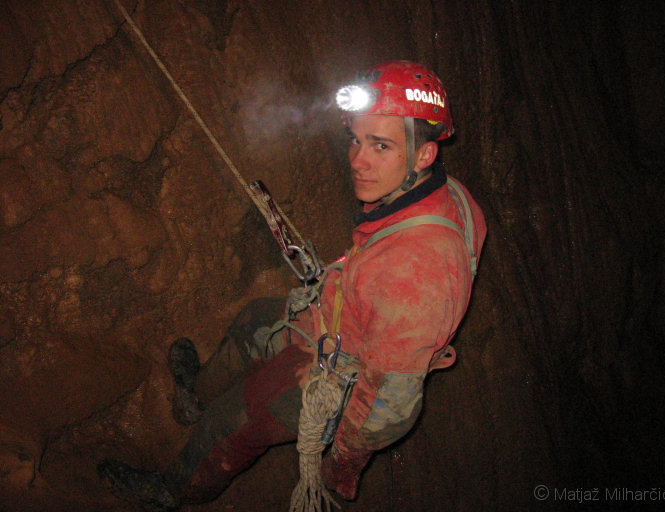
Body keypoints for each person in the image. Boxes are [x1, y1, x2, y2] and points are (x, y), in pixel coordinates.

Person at [99, 60, 486, 511]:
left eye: (380, 146)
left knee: (228, 425)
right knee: (253, 322)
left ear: (424, 155)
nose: (357, 161)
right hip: (337, 318)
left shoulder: (416, 275)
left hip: (338, 370)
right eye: (356, 139)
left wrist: (342, 464)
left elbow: (389, 406)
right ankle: (194, 399)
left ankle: (171, 492)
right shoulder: (445, 194)